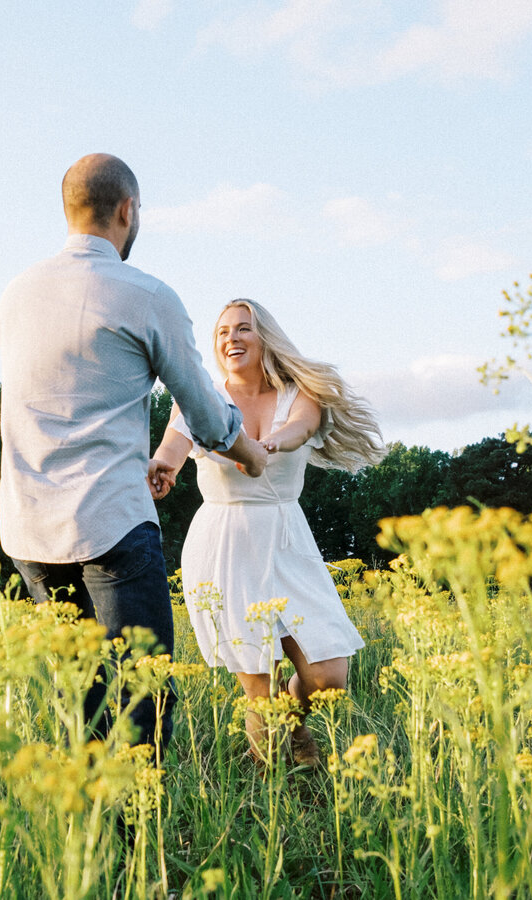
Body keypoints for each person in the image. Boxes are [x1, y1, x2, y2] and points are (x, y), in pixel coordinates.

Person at [0, 154, 268, 752]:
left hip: (29, 527)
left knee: (81, 702)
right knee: (139, 699)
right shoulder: (145, 293)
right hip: (110, 520)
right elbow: (201, 405)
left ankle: (89, 839)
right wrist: (251, 454)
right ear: (128, 210)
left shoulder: (16, 294)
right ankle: (134, 842)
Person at [149, 299, 384, 767]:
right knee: (258, 682)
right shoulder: (202, 397)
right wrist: (165, 466)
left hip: (286, 538)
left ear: (265, 338)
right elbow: (177, 439)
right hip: (224, 540)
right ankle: (273, 797)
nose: (231, 338)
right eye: (222, 332)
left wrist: (265, 444)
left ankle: (292, 727)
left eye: (243, 329)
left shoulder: (301, 395)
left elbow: (299, 429)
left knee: (328, 674)